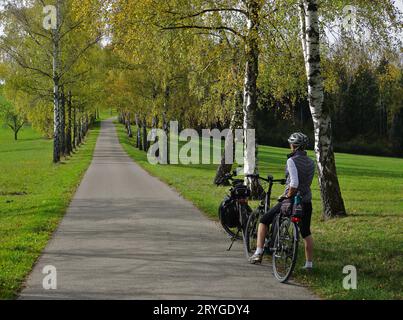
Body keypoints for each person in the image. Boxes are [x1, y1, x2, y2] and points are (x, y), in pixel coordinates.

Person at [249, 132, 315, 270]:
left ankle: (258, 252)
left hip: (292, 200)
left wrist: (287, 196)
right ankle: (309, 264)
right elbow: (306, 181)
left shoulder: (291, 160)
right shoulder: (311, 162)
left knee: (264, 220)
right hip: (306, 201)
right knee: (306, 232)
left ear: (294, 146)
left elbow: (294, 183)